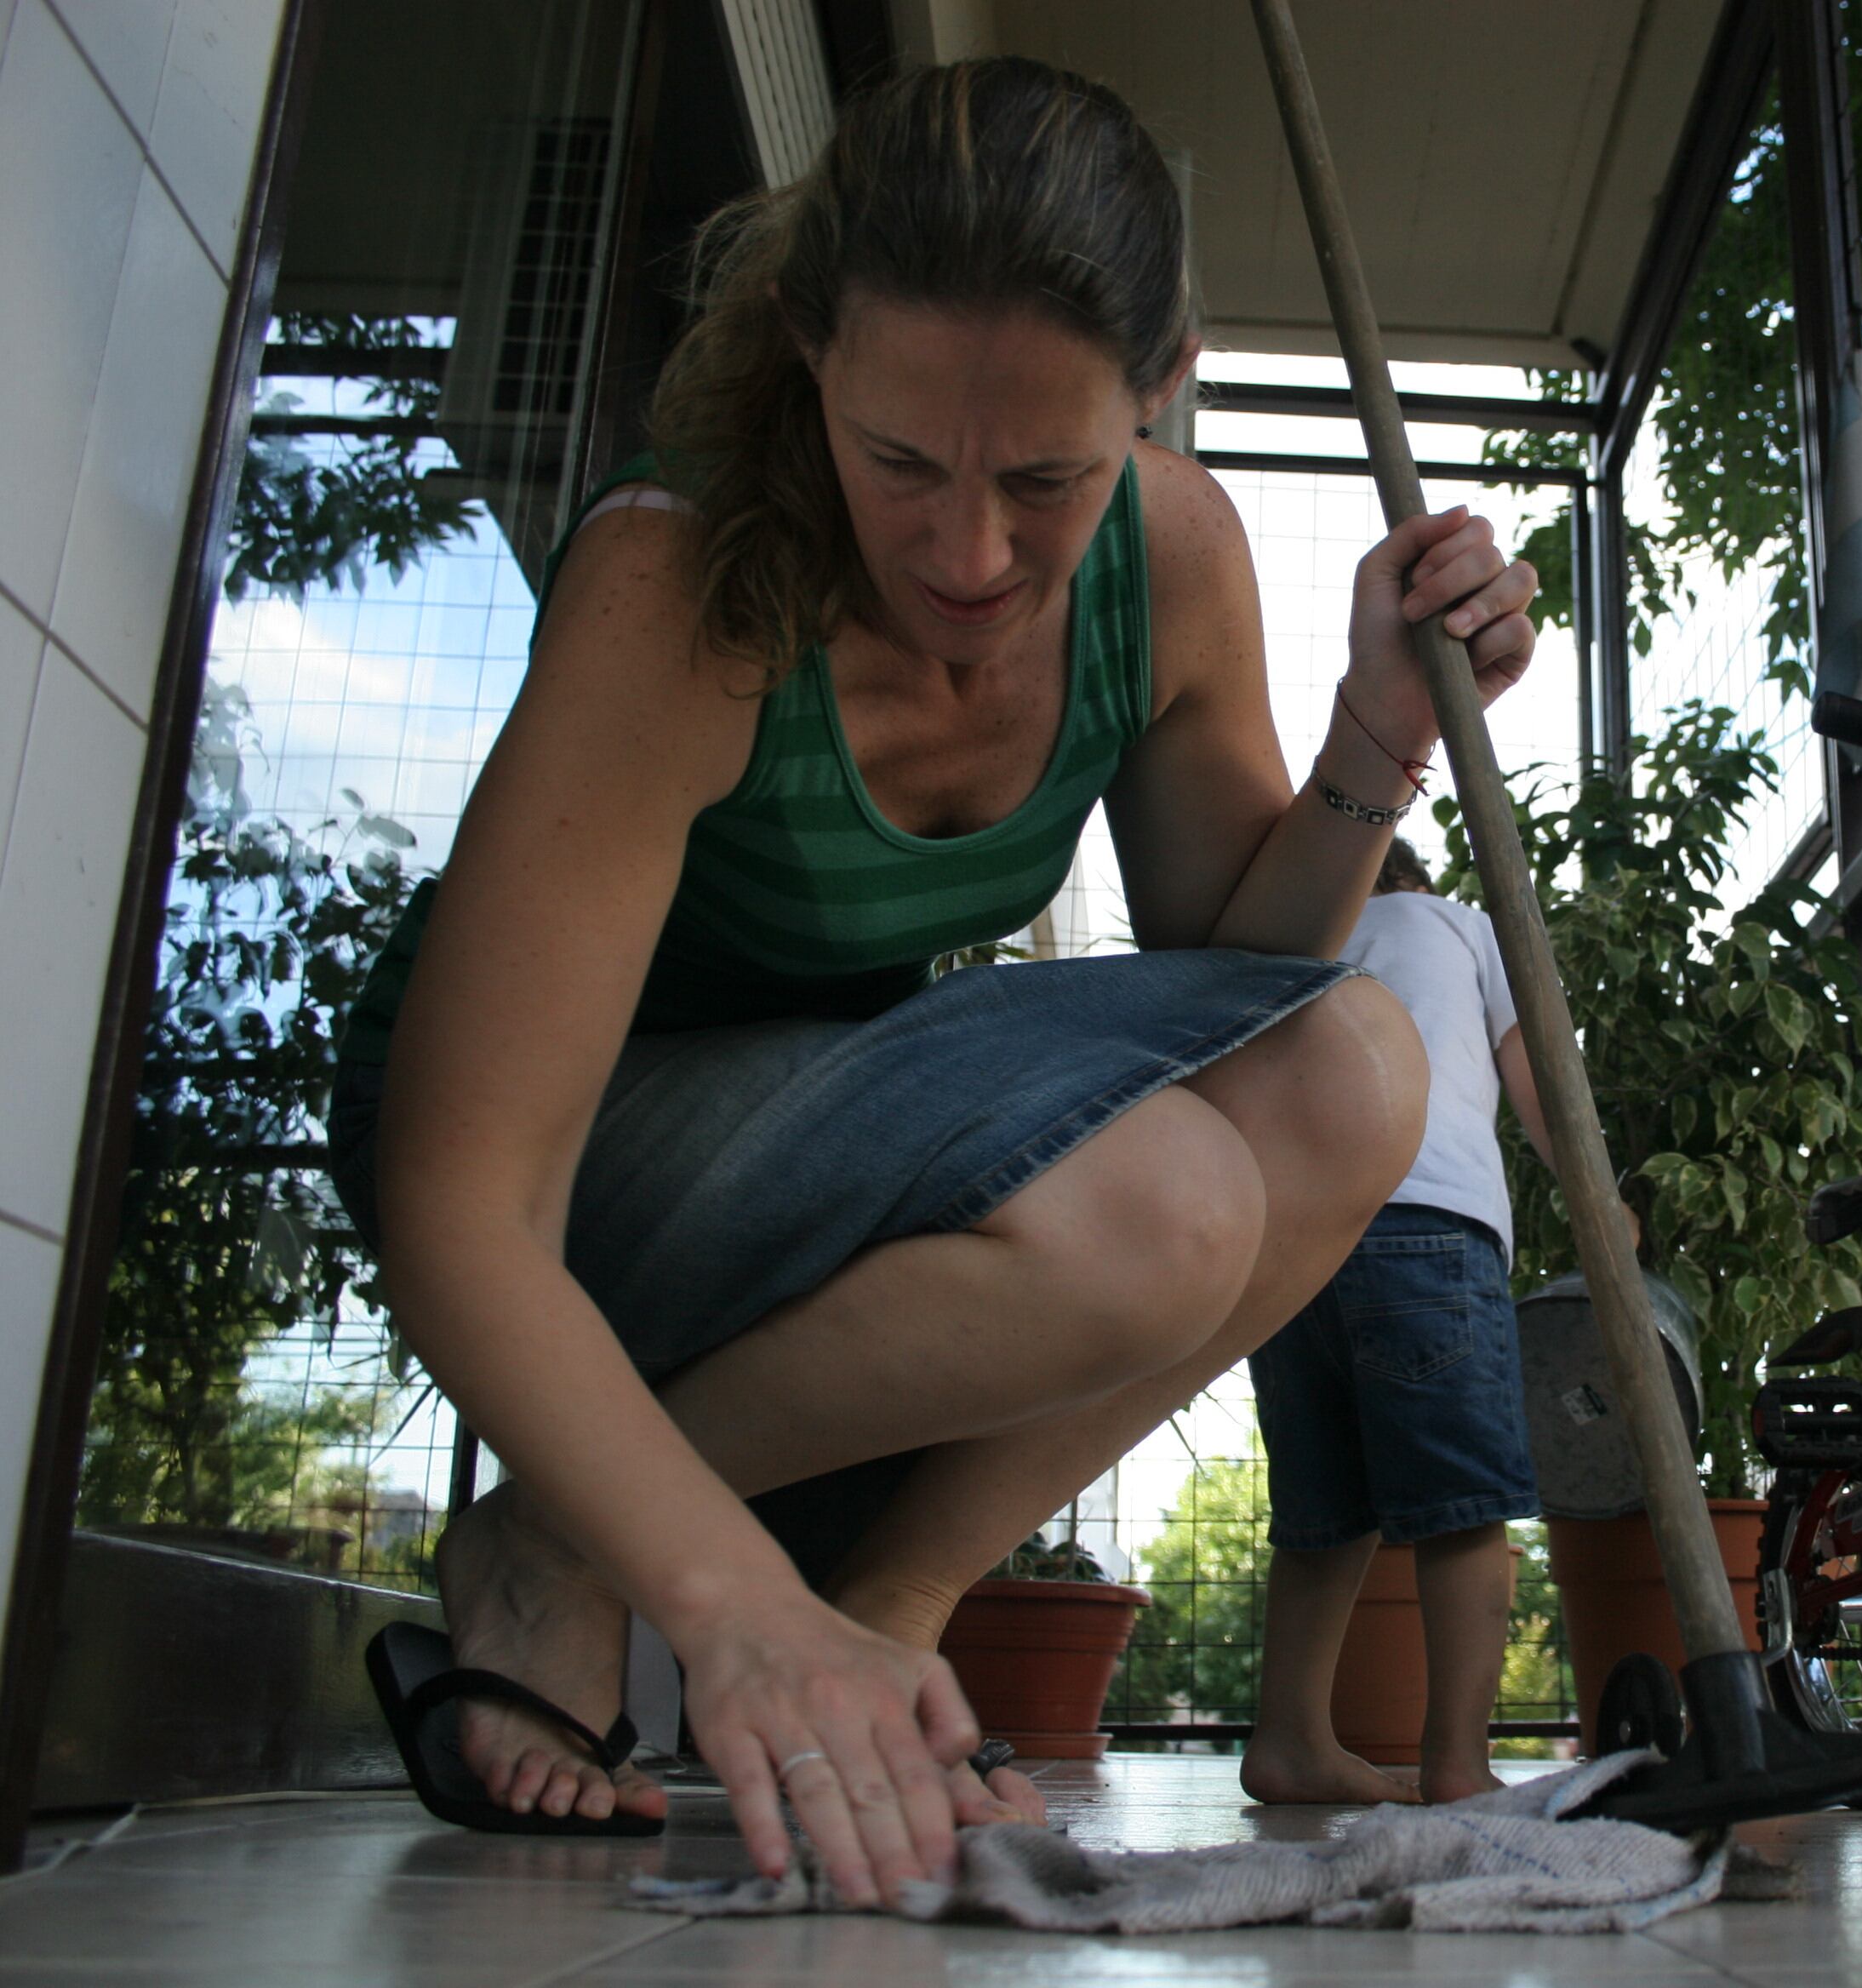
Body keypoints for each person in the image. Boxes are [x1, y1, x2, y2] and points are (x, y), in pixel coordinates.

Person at [327, 57, 1538, 1911]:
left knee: (1353, 1071)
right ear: (813, 353)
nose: (969, 555)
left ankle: (885, 1610)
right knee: (1159, 1197)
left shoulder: (1173, 554)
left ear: (1160, 385)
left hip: (833, 1140)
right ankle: (558, 1546)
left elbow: (1243, 986)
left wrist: (1379, 730)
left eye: (1044, 478)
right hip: (563, 1181)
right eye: (898, 461)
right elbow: (461, 1202)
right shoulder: (680, 581)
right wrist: (715, 1605)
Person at [1241, 841, 1572, 1808]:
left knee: (1321, 1517)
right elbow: (1539, 1076)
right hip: (1425, 1219)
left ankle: (1289, 1739)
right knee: (1466, 1507)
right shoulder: (1464, 926)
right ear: (1419, 880)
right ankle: (1456, 1761)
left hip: (1285, 1242)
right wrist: (1597, 1198)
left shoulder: (1289, 940)